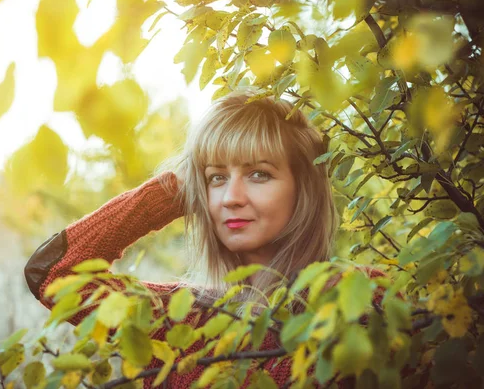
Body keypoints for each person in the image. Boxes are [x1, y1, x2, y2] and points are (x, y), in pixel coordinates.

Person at [24, 87, 387, 388]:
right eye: (216, 178)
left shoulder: (364, 300)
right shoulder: (179, 318)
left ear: (303, 188)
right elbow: (54, 275)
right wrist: (173, 190)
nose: (231, 197)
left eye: (259, 174)